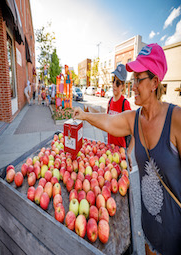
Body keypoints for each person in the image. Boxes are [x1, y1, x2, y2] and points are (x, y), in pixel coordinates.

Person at [73, 43, 181, 255]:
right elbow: (109, 121)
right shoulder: (134, 119)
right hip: (149, 234)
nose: (132, 85)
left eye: (138, 80)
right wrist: (84, 115)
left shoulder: (176, 119)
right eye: (132, 80)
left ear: (155, 82)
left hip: (176, 237)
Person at [89, 64, 134, 169]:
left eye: (117, 83)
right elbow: (106, 121)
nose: (114, 85)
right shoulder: (109, 102)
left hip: (120, 150)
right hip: (109, 148)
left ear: (123, 86)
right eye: (113, 80)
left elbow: (134, 130)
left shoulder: (125, 104)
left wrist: (129, 152)